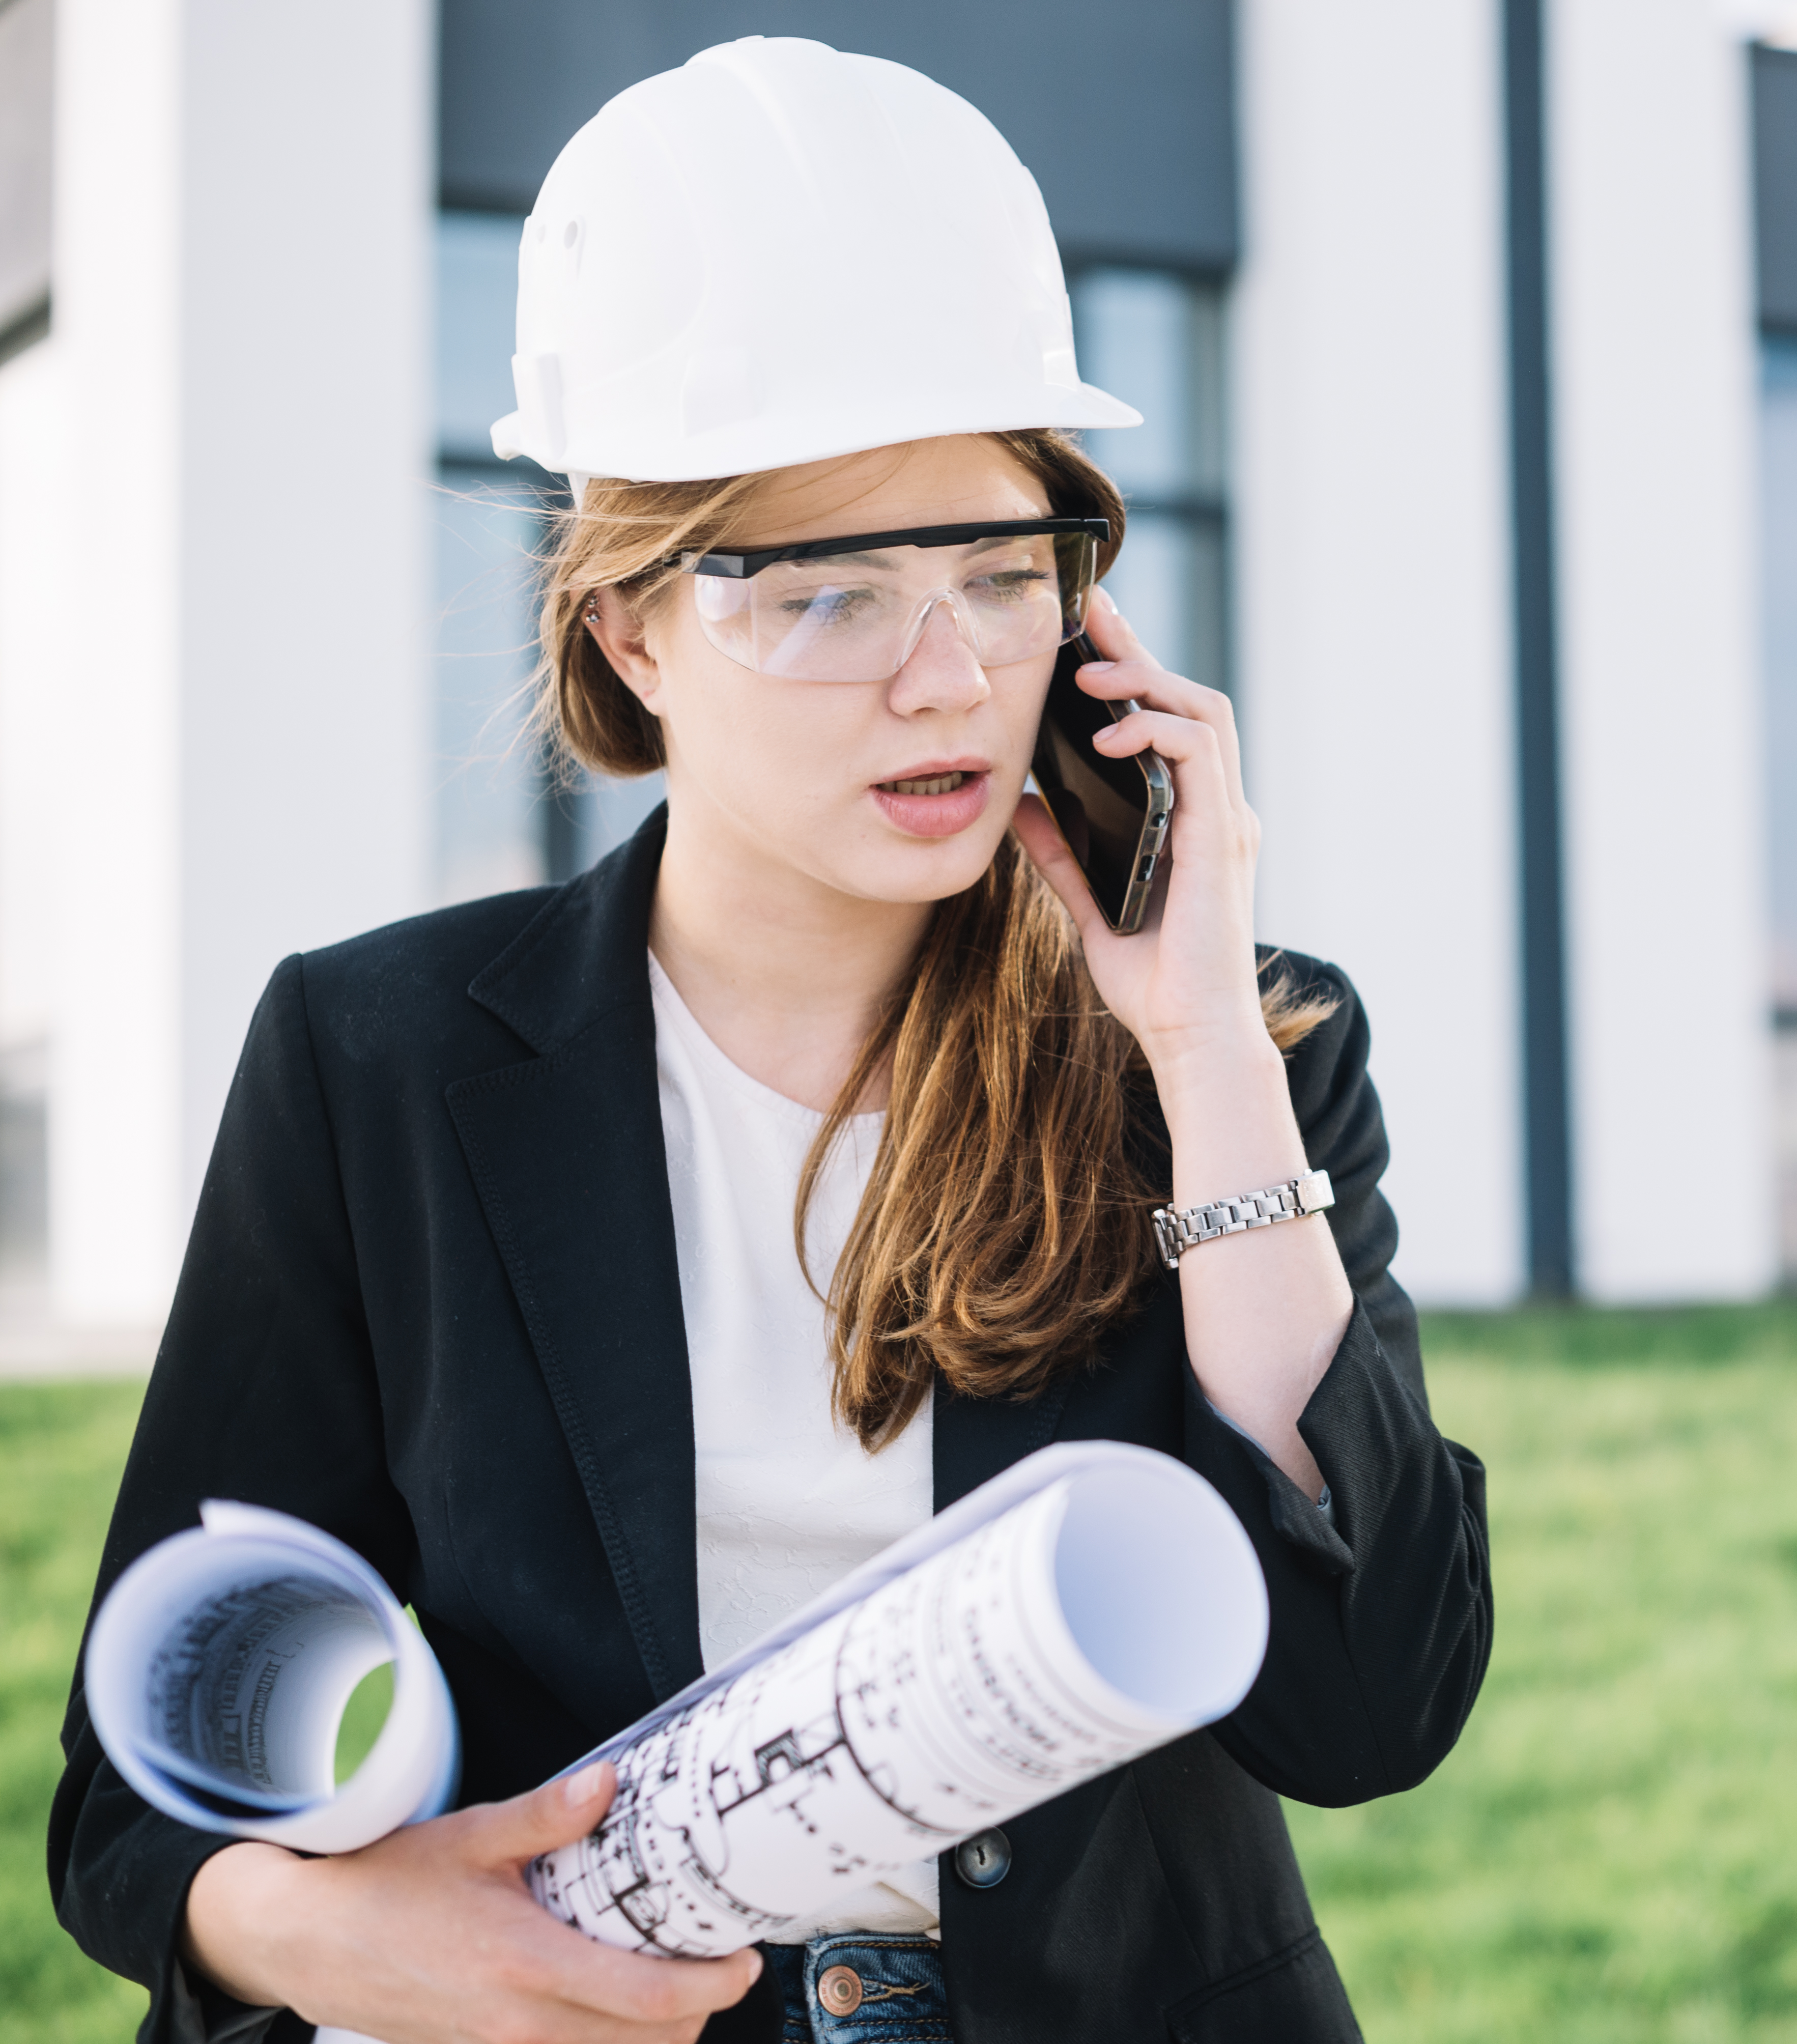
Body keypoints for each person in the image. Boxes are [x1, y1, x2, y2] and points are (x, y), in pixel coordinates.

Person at [47, 37, 1489, 2044]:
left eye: (1003, 576)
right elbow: (137, 1801)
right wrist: (311, 1932)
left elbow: (1370, 1704)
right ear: (629, 627)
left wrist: (1197, 1050)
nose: (946, 675)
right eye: (826, 596)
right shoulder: (374, 1059)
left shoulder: (1229, 1043)